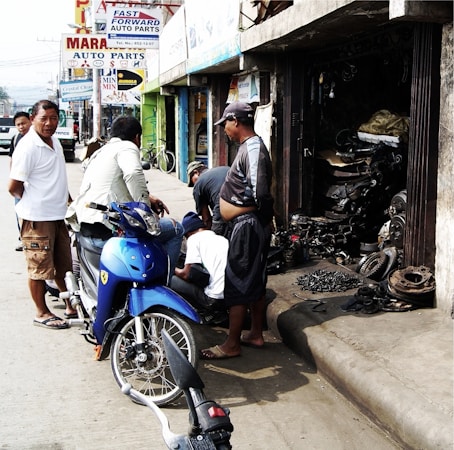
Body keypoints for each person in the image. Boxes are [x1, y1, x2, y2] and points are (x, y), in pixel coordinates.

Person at [68, 116, 183, 296]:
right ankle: (162, 286)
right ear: (137, 137)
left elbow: (111, 183)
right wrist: (145, 212)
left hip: (85, 226)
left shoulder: (101, 151)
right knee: (176, 229)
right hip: (108, 228)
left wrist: (149, 197)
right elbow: (133, 173)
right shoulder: (127, 147)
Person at [201, 102, 274, 359]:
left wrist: (255, 216)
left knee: (238, 281)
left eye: (226, 125)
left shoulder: (252, 148)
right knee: (253, 279)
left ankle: (231, 344)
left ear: (235, 121)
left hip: (248, 226)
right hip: (249, 224)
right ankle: (254, 333)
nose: (225, 131)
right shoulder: (247, 148)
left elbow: (261, 193)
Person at [8, 100, 77, 330]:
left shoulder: (54, 141)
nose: (49, 123)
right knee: (39, 268)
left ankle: (70, 305)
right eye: (44, 119)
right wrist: (33, 202)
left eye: (54, 118)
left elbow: (57, 178)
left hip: (58, 215)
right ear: (33, 118)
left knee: (63, 265)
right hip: (37, 218)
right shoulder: (27, 147)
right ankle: (41, 311)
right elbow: (13, 187)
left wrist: (68, 202)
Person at [171, 211, 229, 324]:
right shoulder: (222, 239)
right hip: (232, 296)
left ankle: (204, 312)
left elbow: (185, 274)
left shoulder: (194, 240)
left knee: (171, 279)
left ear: (188, 233)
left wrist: (173, 269)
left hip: (214, 299)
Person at [187, 161, 231, 237]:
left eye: (192, 181)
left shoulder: (198, 184)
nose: (194, 185)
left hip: (223, 202)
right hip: (244, 201)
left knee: (217, 235)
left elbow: (206, 218)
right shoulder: (224, 168)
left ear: (196, 172)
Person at [8, 111, 32, 251]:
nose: (21, 127)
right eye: (18, 125)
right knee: (20, 212)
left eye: (24, 123)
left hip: (34, 185)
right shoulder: (16, 138)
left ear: (30, 121)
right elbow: (12, 159)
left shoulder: (38, 139)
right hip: (19, 183)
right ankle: (23, 239)